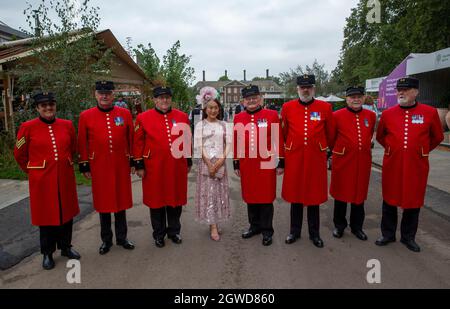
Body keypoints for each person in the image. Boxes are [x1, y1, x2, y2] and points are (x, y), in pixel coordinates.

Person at [375, 77, 444, 252]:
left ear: (416, 91)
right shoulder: (388, 114)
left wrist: (420, 151)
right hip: (393, 164)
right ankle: (388, 234)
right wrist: (394, 149)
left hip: (416, 165)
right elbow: (381, 136)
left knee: (413, 201)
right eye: (399, 90)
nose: (401, 92)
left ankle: (408, 237)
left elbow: (437, 137)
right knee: (389, 199)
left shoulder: (429, 112)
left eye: (406, 89)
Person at [14, 92, 80, 270]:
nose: (48, 108)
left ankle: (66, 247)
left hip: (64, 178)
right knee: (46, 217)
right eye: (43, 105)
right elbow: (19, 153)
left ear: (55, 106)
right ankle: (47, 253)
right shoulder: (27, 127)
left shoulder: (66, 125)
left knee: (66, 214)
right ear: (37, 108)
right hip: (42, 182)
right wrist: (32, 171)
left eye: (51, 104)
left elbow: (73, 147)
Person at [78, 81, 135, 255]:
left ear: (113, 95)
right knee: (103, 205)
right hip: (99, 166)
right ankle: (106, 240)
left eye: (108, 93)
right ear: (95, 95)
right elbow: (82, 142)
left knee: (120, 202)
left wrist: (133, 161)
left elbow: (131, 138)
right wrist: (85, 164)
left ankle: (122, 238)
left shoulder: (124, 113)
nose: (104, 96)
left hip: (120, 164)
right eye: (101, 93)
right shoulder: (86, 116)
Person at [133, 86, 192, 248]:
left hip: (176, 166)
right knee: (156, 201)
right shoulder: (143, 118)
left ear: (170, 99)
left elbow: (187, 140)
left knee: (175, 199)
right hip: (154, 167)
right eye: (160, 97)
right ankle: (159, 234)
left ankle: (174, 231)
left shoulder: (182, 116)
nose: (164, 100)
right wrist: (139, 165)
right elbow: (138, 143)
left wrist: (188, 161)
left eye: (167, 97)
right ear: (155, 100)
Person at [281, 74, 334, 248]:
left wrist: (325, 151)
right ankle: (294, 231)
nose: (305, 90)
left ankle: (315, 234)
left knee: (313, 197)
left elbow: (330, 133)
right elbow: (284, 132)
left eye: (309, 87)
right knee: (296, 196)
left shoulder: (325, 107)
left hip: (315, 158)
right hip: (295, 157)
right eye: (302, 87)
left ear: (314, 89)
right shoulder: (287, 107)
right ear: (297, 89)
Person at [233, 85, 284, 246]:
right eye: (248, 98)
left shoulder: (271, 115)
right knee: (251, 196)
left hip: (267, 163)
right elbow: (236, 141)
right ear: (243, 101)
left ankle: (267, 230)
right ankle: (254, 226)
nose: (251, 100)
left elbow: (278, 139)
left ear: (260, 98)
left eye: (254, 97)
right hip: (247, 163)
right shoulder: (238, 117)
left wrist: (281, 161)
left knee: (266, 197)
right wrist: (236, 163)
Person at [329, 86, 376, 241]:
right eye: (352, 97)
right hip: (342, 161)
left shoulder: (370, 115)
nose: (356, 99)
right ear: (346, 99)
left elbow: (371, 136)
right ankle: (339, 226)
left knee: (359, 196)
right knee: (341, 195)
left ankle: (357, 227)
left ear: (363, 98)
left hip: (362, 162)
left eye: (358, 96)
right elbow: (331, 138)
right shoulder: (336, 115)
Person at [194, 87, 231, 241]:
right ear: (205, 108)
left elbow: (228, 143)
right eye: (210, 107)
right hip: (206, 163)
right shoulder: (200, 125)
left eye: (216, 107)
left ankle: (216, 220)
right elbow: (199, 145)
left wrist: (221, 160)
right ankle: (213, 226)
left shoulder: (223, 125)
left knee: (218, 194)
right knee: (209, 194)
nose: (213, 110)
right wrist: (209, 163)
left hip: (220, 162)